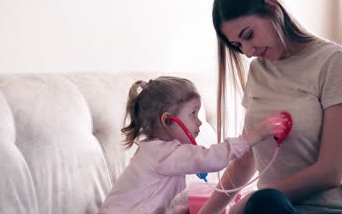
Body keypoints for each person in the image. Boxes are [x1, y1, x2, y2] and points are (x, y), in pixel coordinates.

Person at [198, 0, 342, 214]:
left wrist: (254, 199)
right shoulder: (258, 71)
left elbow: (330, 172)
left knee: (264, 203)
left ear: (272, 9)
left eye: (249, 35)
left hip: (338, 209)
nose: (248, 52)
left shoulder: (333, 61)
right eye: (238, 45)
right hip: (275, 208)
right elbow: (245, 161)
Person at [98, 76, 287, 214]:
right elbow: (211, 158)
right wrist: (254, 136)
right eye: (193, 113)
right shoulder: (160, 153)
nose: (199, 123)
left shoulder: (159, 152)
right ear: (168, 120)